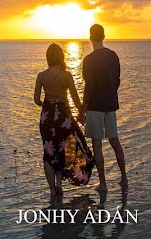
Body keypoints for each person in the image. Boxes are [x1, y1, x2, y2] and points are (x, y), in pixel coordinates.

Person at [34, 43, 95, 197]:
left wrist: (46, 104)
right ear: (61, 57)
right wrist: (82, 113)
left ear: (48, 57)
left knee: (48, 153)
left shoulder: (41, 76)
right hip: (64, 118)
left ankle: (52, 190)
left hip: (46, 119)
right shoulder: (66, 76)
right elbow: (75, 99)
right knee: (62, 150)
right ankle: (60, 183)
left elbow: (36, 100)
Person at [78, 23, 128, 193]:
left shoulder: (89, 60)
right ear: (104, 37)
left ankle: (103, 184)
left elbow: (89, 87)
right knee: (115, 141)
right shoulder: (113, 56)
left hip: (95, 106)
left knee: (97, 145)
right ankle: (124, 178)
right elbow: (117, 80)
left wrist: (82, 110)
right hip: (110, 104)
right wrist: (110, 93)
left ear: (90, 37)